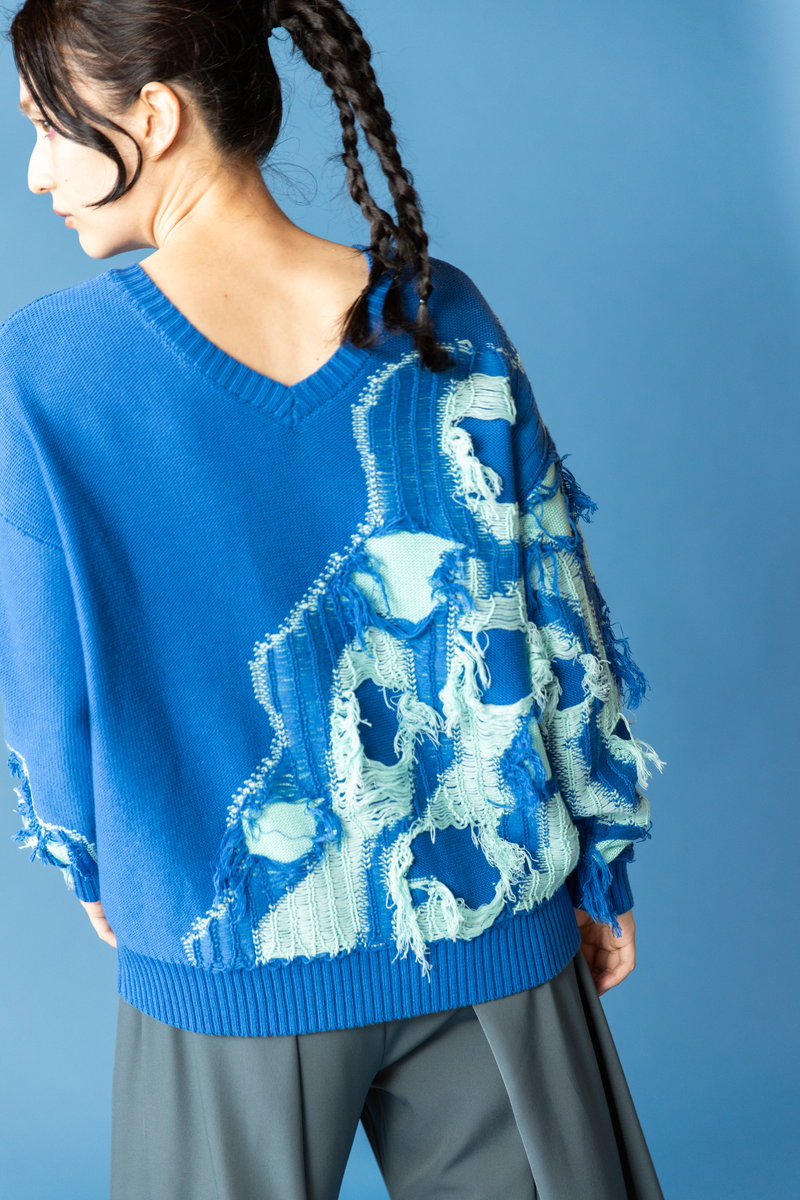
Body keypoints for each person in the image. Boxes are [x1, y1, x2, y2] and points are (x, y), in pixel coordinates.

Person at [1, 1, 668, 1197]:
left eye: (49, 127)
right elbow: (553, 607)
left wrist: (98, 863)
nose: (38, 171)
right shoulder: (438, 316)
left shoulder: (46, 370)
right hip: (493, 930)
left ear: (152, 116)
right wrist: (598, 860)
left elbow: (42, 684)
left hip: (225, 946)